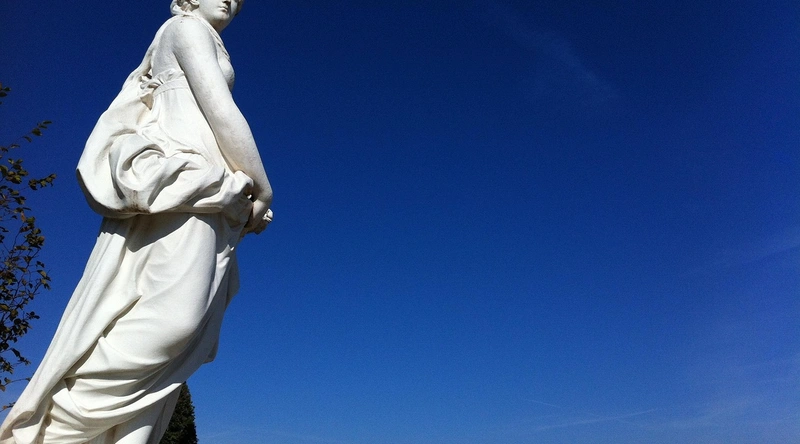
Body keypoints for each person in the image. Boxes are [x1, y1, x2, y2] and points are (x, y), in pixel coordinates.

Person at [0, 0, 272, 442]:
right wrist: (262, 186)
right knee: (173, 324)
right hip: (185, 181)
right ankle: (52, 432)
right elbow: (220, 108)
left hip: (209, 186)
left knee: (174, 351)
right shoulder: (185, 28)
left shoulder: (203, 36)